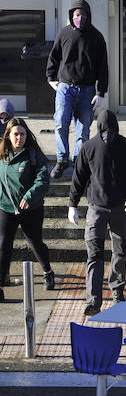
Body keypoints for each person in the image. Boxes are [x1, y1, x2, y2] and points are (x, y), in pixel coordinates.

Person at [68, 111, 126, 316]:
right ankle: (93, 299)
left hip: (121, 207)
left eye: (111, 131)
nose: (108, 134)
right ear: (99, 129)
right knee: (94, 254)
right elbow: (79, 177)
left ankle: (117, 290)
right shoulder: (89, 147)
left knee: (120, 250)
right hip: (96, 208)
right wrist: (72, 204)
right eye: (105, 130)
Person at [46, 0, 109, 180]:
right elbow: (54, 56)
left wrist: (101, 92)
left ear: (88, 16)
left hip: (87, 90)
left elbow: (103, 67)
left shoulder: (97, 37)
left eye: (83, 15)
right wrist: (51, 78)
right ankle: (61, 159)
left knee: (83, 129)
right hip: (65, 88)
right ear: (72, 16)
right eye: (77, 15)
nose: (80, 18)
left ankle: (79, 161)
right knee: (60, 124)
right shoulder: (64, 34)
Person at [0, 118, 54, 301]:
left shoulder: (33, 155)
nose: (19, 138)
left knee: (35, 242)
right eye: (15, 134)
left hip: (31, 208)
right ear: (8, 136)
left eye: (22, 134)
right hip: (6, 207)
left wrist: (30, 196)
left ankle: (48, 272)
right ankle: (1, 282)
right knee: (3, 245)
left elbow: (43, 180)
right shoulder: (2, 155)